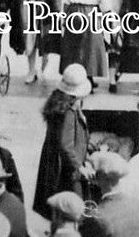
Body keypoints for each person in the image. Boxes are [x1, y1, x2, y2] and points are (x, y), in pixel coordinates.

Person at [33, 64, 91, 219]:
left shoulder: (60, 106)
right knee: (73, 208)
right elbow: (66, 145)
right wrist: (80, 166)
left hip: (54, 164)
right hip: (66, 171)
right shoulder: (68, 113)